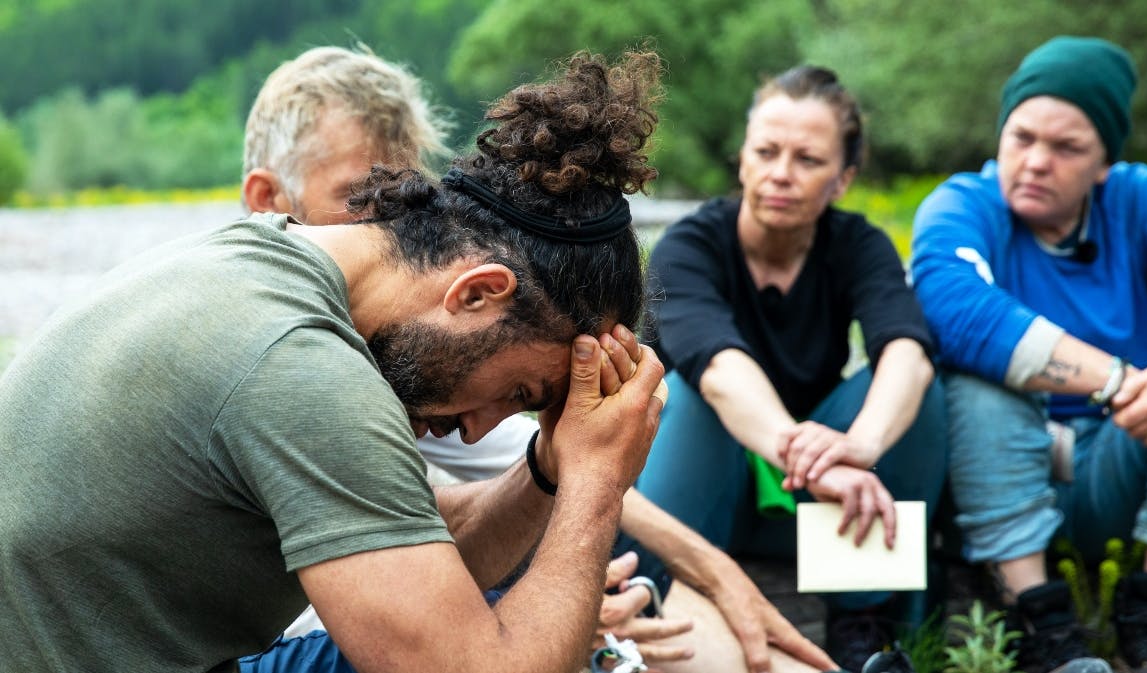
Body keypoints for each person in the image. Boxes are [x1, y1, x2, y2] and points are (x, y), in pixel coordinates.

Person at [0, 50, 670, 673]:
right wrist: (596, 475)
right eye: (518, 388)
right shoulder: (297, 363)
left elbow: (414, 548)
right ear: (477, 292)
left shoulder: (260, 257)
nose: (480, 429)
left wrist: (551, 469)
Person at [239, 45, 838, 673]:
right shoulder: (299, 358)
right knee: (549, 603)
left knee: (575, 556)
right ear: (265, 196)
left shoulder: (316, 301)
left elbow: (496, 484)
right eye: (355, 195)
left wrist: (708, 565)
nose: (389, 216)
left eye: (409, 194)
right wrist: (556, 606)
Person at [616, 64, 948, 672]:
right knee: (686, 392)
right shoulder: (688, 247)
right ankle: (680, 603)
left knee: (912, 380)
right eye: (766, 152)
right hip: (704, 493)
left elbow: (903, 345)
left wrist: (858, 448)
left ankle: (862, 625)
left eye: (807, 159)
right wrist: (809, 455)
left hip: (826, 496)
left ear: (843, 178)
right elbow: (718, 364)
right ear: (743, 159)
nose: (780, 174)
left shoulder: (858, 246)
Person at [910, 36, 1147, 673]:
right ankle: (1038, 619)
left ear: (1104, 163)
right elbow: (952, 307)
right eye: (1022, 138)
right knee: (974, 381)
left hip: (1128, 460)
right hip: (1002, 468)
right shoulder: (963, 204)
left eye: (1067, 147)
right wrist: (1124, 383)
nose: (1036, 161)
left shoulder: (1145, 198)